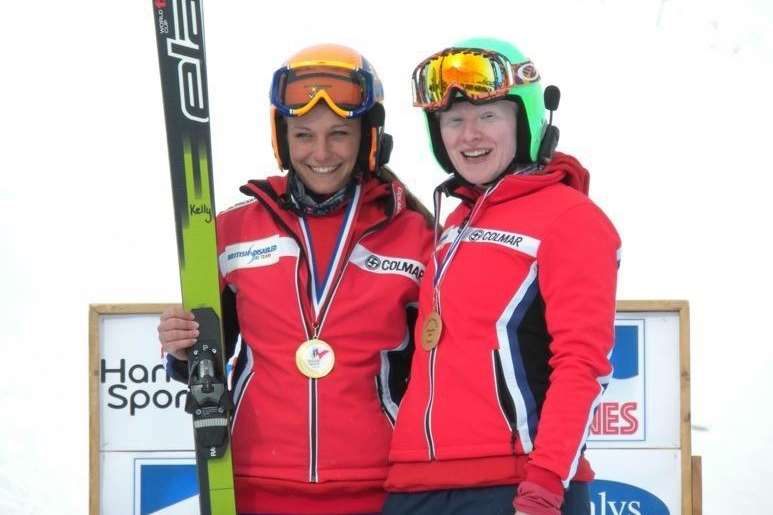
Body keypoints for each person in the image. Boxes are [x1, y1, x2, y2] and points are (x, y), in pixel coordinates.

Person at [158, 44, 433, 515]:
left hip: (380, 487)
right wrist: (182, 348)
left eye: (339, 134)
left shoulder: (416, 234)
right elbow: (204, 357)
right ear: (282, 139)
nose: (321, 152)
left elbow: (440, 370)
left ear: (369, 138)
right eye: (303, 134)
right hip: (252, 484)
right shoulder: (232, 230)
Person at [383, 38, 621, 515]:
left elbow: (581, 364)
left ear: (526, 119)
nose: (469, 135)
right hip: (415, 484)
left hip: (513, 485)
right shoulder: (453, 226)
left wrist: (547, 483)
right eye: (453, 121)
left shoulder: (571, 219)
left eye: (488, 115)